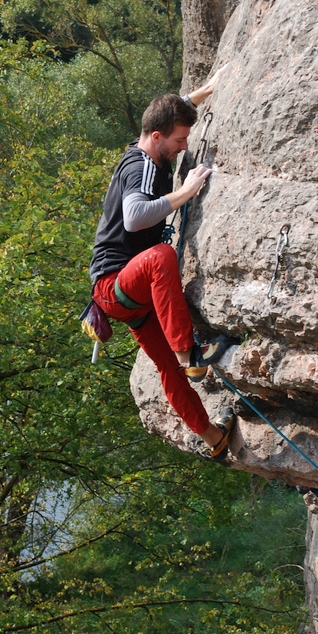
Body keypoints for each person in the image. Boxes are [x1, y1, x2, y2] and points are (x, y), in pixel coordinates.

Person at [89, 70, 236, 459]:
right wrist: (185, 193)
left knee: (165, 371)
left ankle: (214, 439)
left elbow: (165, 114)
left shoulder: (144, 144)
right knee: (162, 257)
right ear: (157, 138)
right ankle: (190, 355)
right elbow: (136, 216)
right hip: (116, 285)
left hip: (126, 301)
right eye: (179, 140)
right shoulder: (143, 167)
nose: (184, 146)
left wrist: (201, 93)